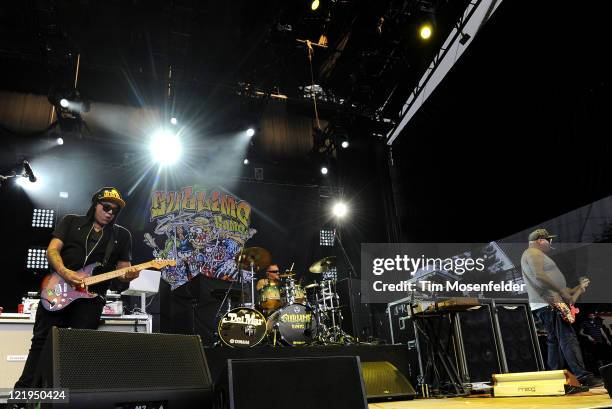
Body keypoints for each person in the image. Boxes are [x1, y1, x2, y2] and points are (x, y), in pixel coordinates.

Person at [14, 187, 140, 389]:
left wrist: (128, 277)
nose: (110, 213)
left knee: (80, 347)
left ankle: (69, 396)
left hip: (91, 299)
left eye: (114, 210)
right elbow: (52, 250)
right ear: (95, 204)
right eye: (106, 207)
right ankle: (24, 395)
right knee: (41, 343)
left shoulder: (122, 236)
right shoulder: (71, 221)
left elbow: (123, 272)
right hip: (57, 289)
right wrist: (66, 273)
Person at [521, 228, 603, 388]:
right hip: (550, 303)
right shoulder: (532, 253)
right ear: (539, 240)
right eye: (548, 239)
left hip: (547, 303)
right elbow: (539, 275)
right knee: (568, 338)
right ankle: (583, 377)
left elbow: (557, 286)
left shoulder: (533, 254)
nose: (550, 242)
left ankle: (554, 379)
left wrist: (577, 288)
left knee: (554, 341)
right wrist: (560, 292)